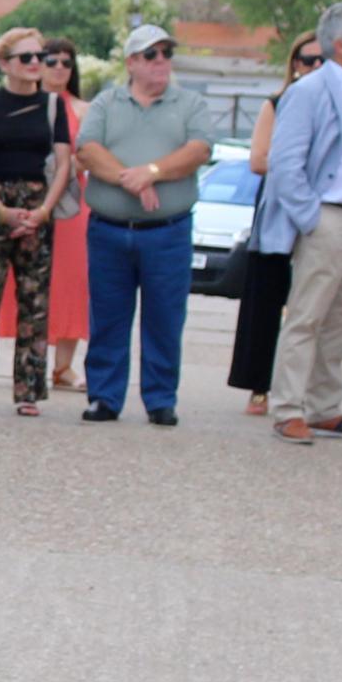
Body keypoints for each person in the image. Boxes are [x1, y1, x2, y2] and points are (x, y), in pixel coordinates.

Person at [246, 8, 342, 445]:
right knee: (307, 316)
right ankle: (288, 408)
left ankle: (324, 408)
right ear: (341, 44)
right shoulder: (309, 91)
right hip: (329, 218)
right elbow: (285, 165)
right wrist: (313, 219)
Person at [75, 25, 207, 426]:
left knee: (165, 317)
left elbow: (198, 150)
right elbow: (87, 149)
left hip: (167, 231)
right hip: (110, 229)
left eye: (166, 53)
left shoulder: (189, 104)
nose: (161, 62)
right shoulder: (106, 103)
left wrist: (151, 172)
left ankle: (161, 398)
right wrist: (128, 180)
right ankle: (104, 397)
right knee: (108, 315)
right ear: (131, 62)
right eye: (151, 55)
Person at [0, 25, 74, 416]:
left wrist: (44, 209)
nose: (35, 65)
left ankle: (28, 390)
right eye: (25, 58)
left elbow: (63, 162)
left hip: (37, 203)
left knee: (34, 301)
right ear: (4, 63)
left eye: (39, 57)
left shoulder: (53, 105)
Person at [225, 27, 331, 419]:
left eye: (324, 59)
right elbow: (259, 159)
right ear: (294, 65)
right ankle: (259, 386)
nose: (316, 66)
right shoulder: (278, 102)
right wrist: (298, 170)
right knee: (266, 302)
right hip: (278, 213)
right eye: (308, 59)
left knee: (314, 306)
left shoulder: (338, 105)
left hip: (322, 211)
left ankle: (307, 389)